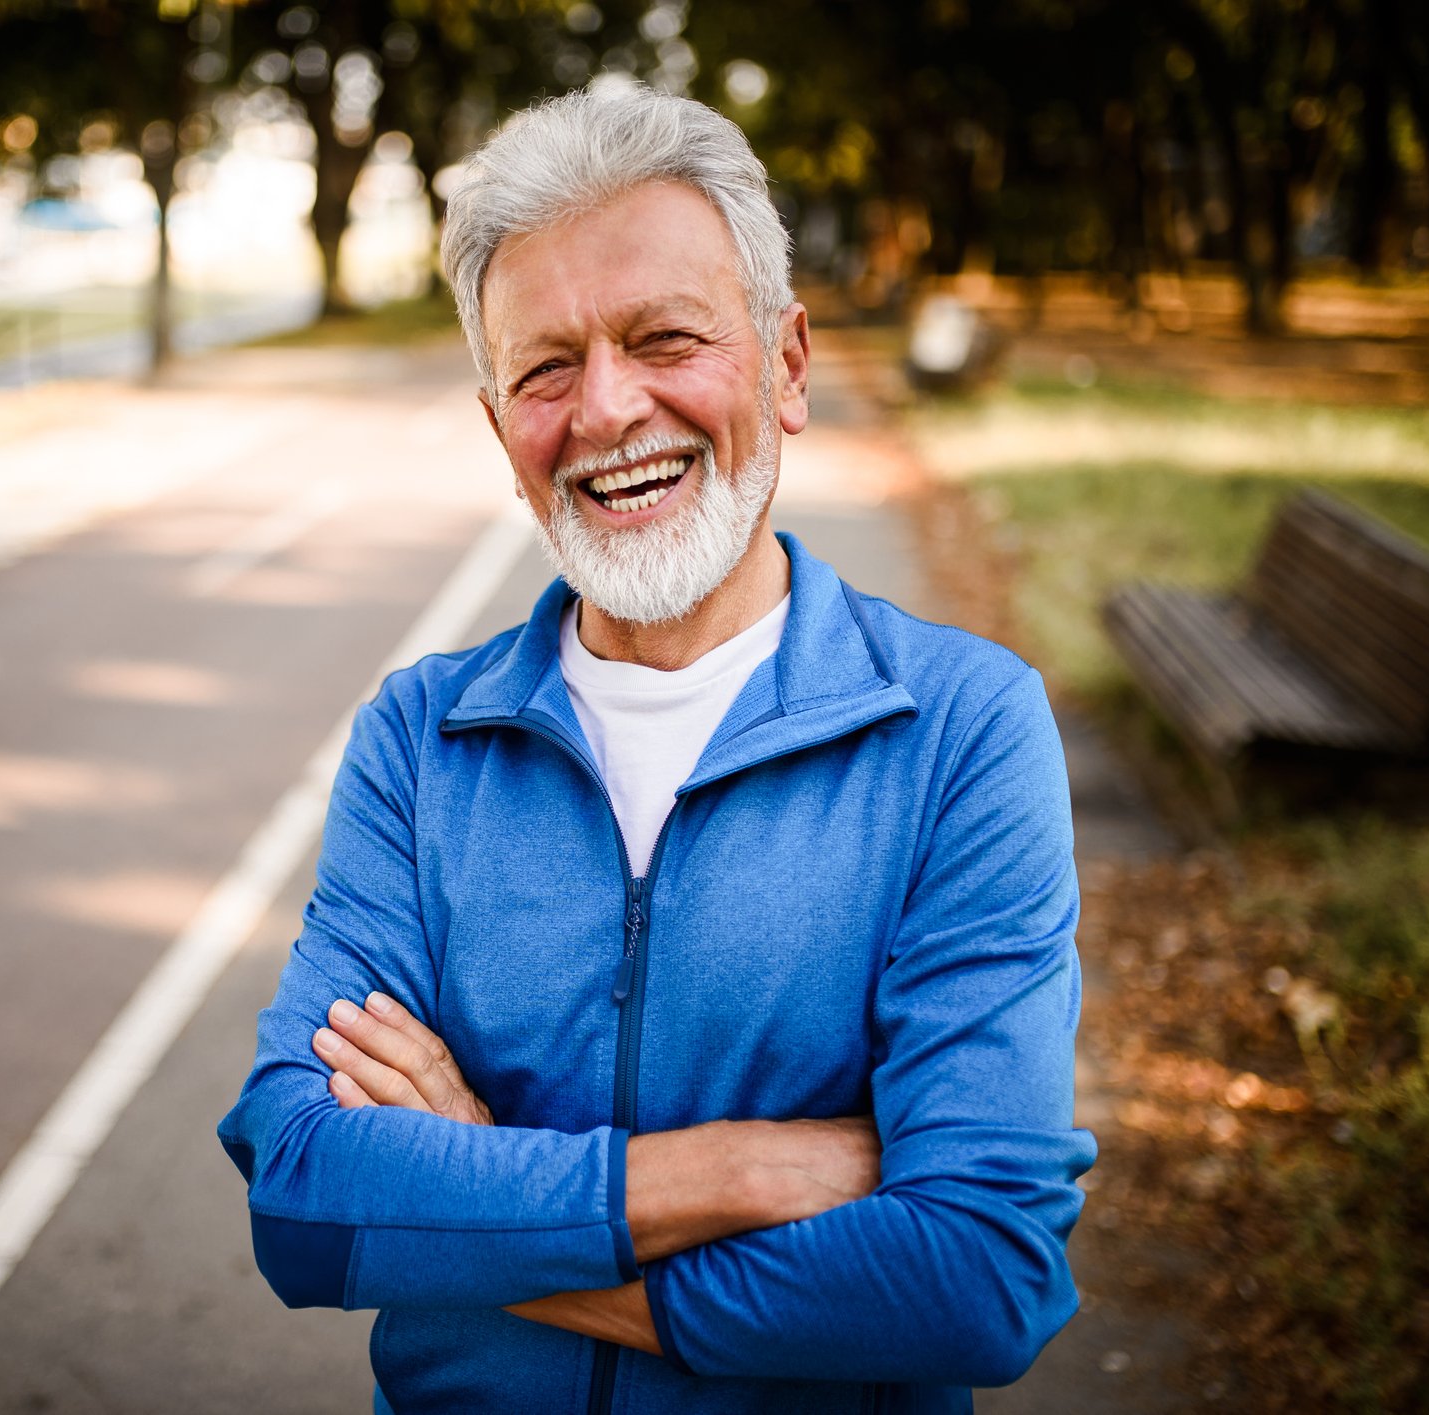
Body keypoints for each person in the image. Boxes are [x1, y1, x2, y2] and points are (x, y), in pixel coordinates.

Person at [219, 83, 1094, 1415]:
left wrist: (472, 1190)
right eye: (547, 366)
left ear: (788, 367)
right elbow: (301, 1198)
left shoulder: (962, 730)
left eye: (663, 337)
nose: (609, 410)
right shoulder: (418, 738)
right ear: (500, 424)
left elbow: (976, 1275)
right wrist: (736, 1171)